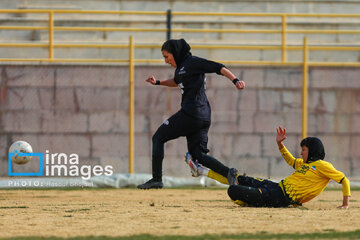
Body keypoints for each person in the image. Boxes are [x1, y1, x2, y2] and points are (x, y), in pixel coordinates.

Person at [137, 39, 245, 189]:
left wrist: (236, 80)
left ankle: (156, 179)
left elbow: (218, 67)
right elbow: (176, 81)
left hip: (191, 114)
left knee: (158, 137)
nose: (165, 60)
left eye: (167, 56)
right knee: (198, 156)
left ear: (175, 53)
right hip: (202, 116)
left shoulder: (193, 62)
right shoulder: (181, 67)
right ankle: (229, 173)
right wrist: (158, 82)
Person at [186, 126, 351, 208]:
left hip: (280, 198)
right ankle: (202, 171)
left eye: (304, 150)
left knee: (233, 190)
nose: (301, 153)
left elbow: (344, 180)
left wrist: (345, 203)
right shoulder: (305, 165)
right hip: (275, 186)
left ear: (313, 151)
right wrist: (280, 144)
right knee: (239, 178)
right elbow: (291, 160)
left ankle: (240, 193)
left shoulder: (322, 166)